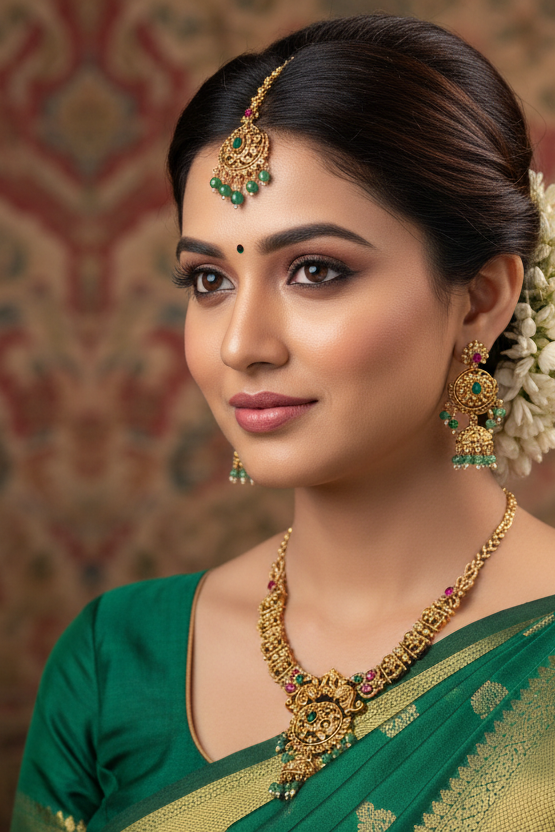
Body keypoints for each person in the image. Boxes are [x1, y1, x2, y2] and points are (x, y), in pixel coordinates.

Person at [11, 14, 555, 832]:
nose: (240, 345)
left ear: (479, 301)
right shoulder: (115, 659)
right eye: (208, 280)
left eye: (315, 270)